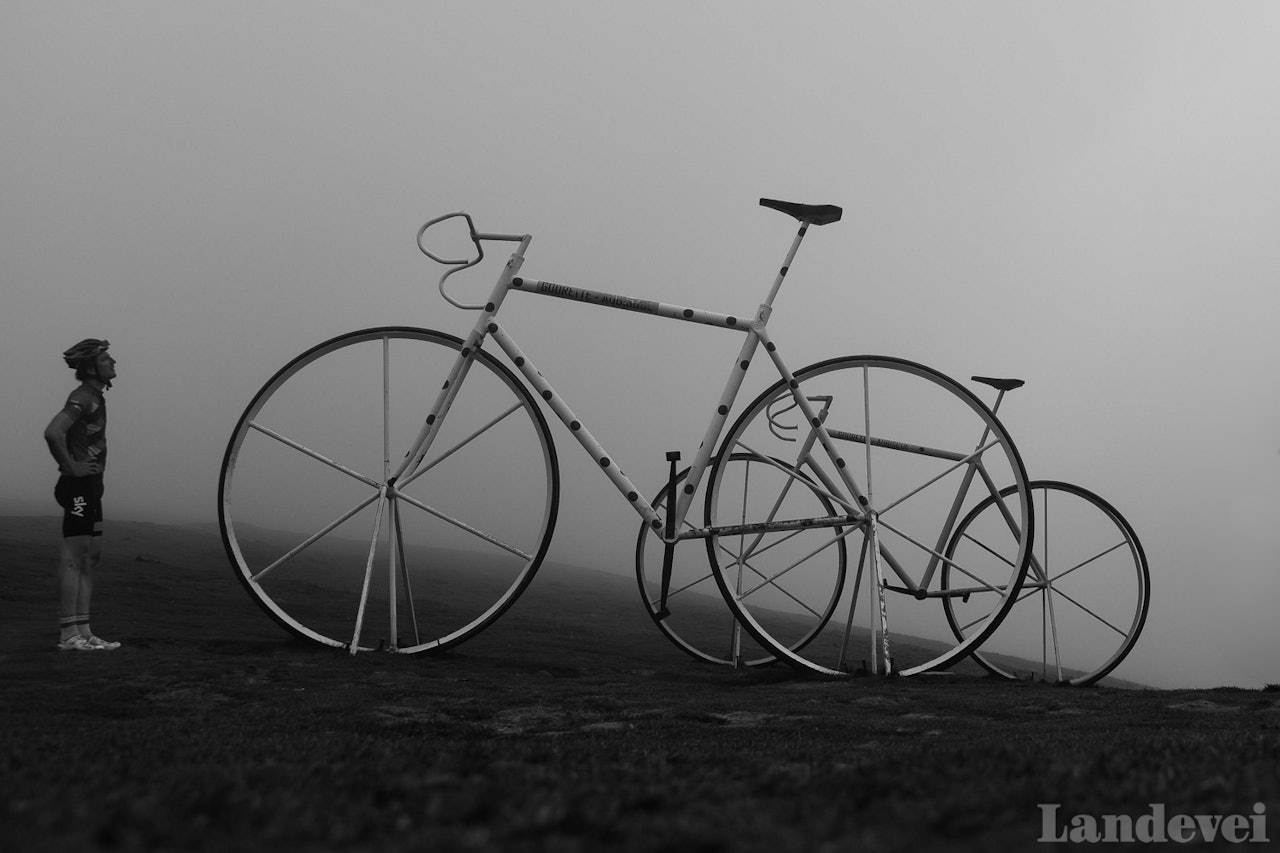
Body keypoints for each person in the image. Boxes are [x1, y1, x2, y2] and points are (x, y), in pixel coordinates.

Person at [44, 338, 121, 651]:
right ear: (91, 367)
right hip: (78, 485)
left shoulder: (96, 397)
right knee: (74, 558)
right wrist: (72, 466)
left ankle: (84, 630)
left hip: (92, 485)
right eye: (106, 360)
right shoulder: (83, 396)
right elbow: (53, 431)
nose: (114, 362)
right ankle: (68, 635)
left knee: (91, 557)